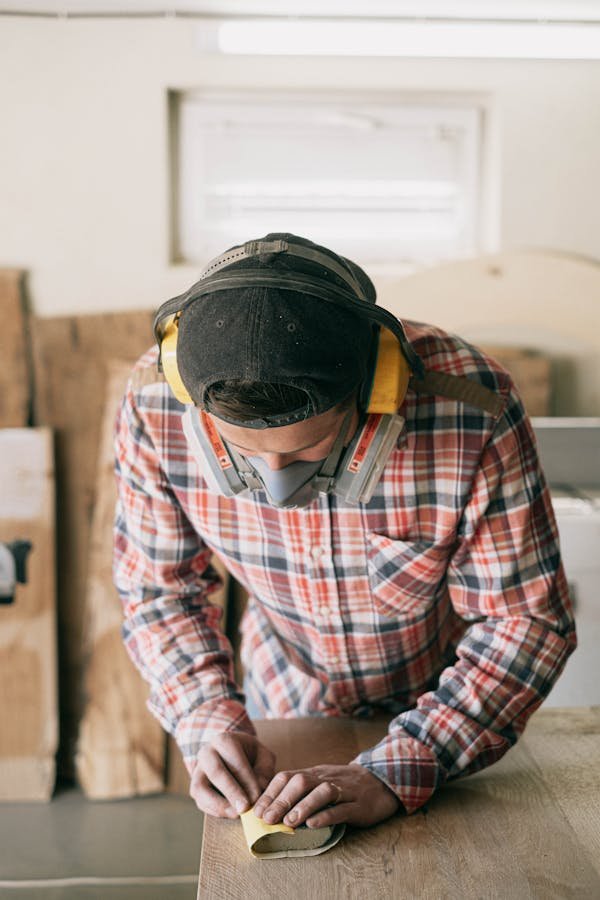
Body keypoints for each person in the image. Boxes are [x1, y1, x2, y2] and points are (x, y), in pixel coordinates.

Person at [113, 233, 576, 832]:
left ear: (374, 386)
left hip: (454, 701)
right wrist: (204, 717)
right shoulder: (155, 406)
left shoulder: (471, 408)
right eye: (246, 455)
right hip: (284, 694)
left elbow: (526, 620)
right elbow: (159, 591)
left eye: (307, 448)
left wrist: (404, 765)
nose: (278, 484)